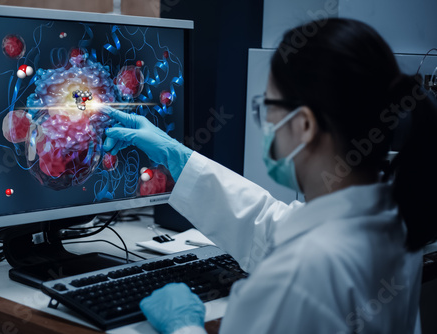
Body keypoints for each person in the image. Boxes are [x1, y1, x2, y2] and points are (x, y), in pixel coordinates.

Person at [102, 18, 437, 334]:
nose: (265, 124)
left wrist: (183, 326)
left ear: (304, 125)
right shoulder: (392, 219)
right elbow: (270, 224)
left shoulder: (298, 275)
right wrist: (174, 154)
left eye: (268, 107)